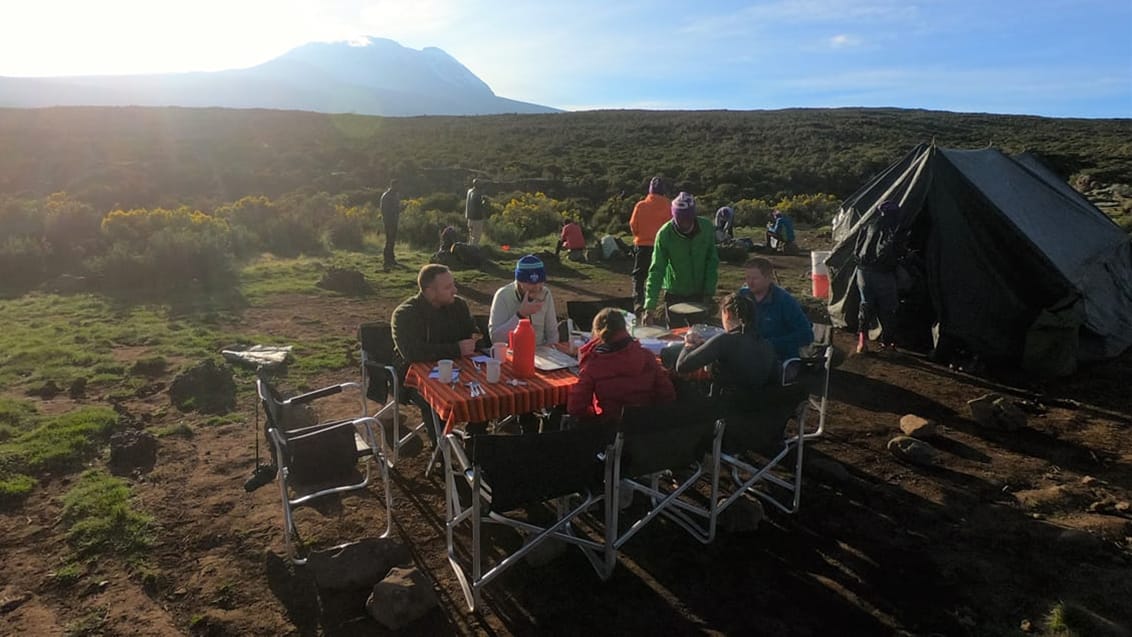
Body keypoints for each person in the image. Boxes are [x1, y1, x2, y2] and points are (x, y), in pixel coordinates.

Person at [391, 264, 478, 442]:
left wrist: (476, 338)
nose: (455, 290)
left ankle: (476, 439)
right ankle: (440, 452)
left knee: (483, 393)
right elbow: (413, 353)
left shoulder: (458, 306)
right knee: (433, 400)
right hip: (414, 378)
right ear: (430, 292)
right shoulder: (405, 314)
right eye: (448, 287)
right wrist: (456, 349)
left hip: (460, 371)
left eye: (453, 285)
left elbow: (473, 333)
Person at [567, 307, 676, 424]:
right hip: (646, 427)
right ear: (625, 328)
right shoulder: (647, 356)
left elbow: (575, 408)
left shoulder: (593, 364)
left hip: (611, 429)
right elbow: (667, 394)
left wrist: (592, 417)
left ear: (597, 333)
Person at [675, 293, 779, 404]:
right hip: (756, 408)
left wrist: (689, 345)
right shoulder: (766, 344)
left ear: (727, 314)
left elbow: (682, 366)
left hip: (725, 408)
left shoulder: (725, 340)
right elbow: (774, 378)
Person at [643, 192, 720, 327]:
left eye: (687, 218)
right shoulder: (664, 234)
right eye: (680, 219)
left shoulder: (706, 228)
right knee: (675, 336)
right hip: (675, 294)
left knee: (700, 335)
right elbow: (656, 270)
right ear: (674, 216)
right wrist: (649, 307)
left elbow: (712, 261)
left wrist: (709, 291)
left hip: (700, 293)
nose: (684, 223)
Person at [854, 200, 905, 354]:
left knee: (866, 305)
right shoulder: (894, 229)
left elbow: (857, 249)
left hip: (862, 272)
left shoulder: (868, 225)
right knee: (888, 308)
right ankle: (888, 345)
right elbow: (897, 251)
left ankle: (862, 343)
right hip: (882, 273)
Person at [738, 257, 813, 360]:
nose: (750, 282)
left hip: (778, 357)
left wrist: (770, 344)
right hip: (747, 353)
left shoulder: (785, 301)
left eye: (755, 278)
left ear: (769, 278)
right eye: (747, 277)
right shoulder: (742, 296)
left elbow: (806, 335)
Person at [488, 255, 561, 346]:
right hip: (512, 353)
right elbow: (496, 339)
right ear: (519, 281)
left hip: (541, 353)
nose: (537, 287)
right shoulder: (503, 296)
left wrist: (551, 352)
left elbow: (552, 333)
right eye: (531, 283)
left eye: (540, 282)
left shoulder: (545, 294)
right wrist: (520, 315)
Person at [629, 177, 671, 314]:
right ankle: (666, 305)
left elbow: (633, 225)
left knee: (639, 276)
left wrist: (638, 236)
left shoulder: (640, 205)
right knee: (663, 276)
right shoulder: (669, 205)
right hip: (662, 246)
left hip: (643, 245)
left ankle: (638, 302)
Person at [379, 179, 402, 271]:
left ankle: (391, 258)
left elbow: (396, 208)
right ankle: (387, 259)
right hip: (389, 221)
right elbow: (384, 210)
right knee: (389, 240)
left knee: (392, 240)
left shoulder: (395, 195)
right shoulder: (386, 196)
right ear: (393, 185)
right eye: (397, 186)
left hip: (394, 220)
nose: (399, 188)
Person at [465, 178, 487, 246]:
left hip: (469, 217)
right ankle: (473, 250)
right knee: (476, 236)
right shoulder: (477, 193)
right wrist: (484, 202)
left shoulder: (469, 191)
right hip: (477, 218)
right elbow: (478, 204)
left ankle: (470, 249)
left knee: (471, 236)